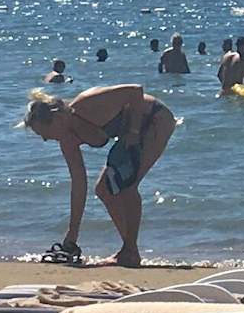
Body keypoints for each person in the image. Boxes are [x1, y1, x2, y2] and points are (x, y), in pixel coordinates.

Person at [18, 84, 178, 267]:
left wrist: (133, 132)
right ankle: (130, 250)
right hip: (130, 134)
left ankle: (130, 253)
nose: (45, 139)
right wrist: (72, 234)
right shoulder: (67, 140)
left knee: (128, 187)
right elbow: (79, 185)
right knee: (103, 190)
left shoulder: (87, 103)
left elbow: (135, 91)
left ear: (57, 118)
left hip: (155, 119)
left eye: (44, 133)